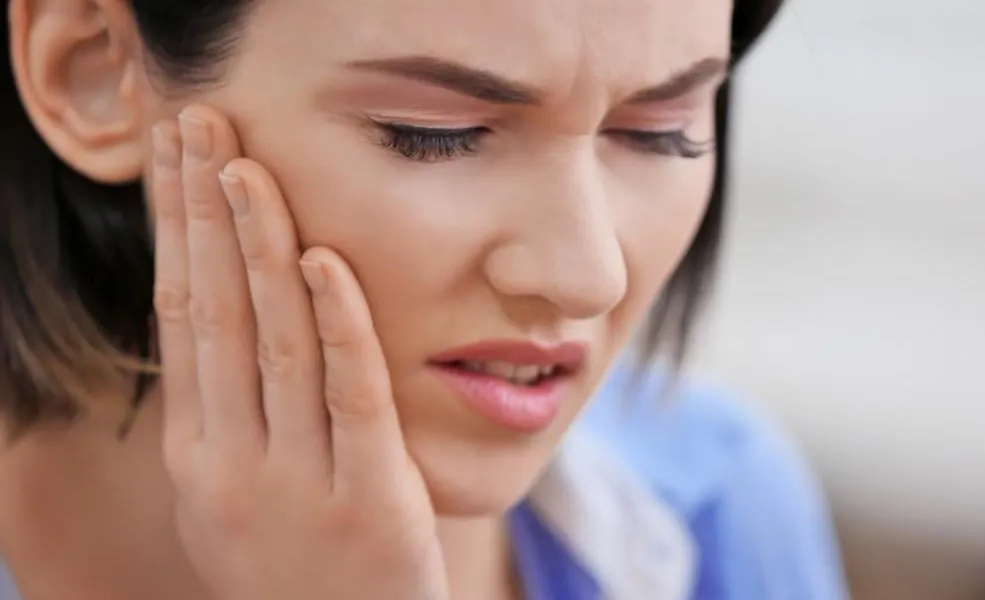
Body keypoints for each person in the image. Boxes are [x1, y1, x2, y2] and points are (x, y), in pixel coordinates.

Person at [0, 0, 847, 598]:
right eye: (435, 133)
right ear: (92, 68)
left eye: (661, 131)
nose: (587, 273)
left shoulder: (718, 516)